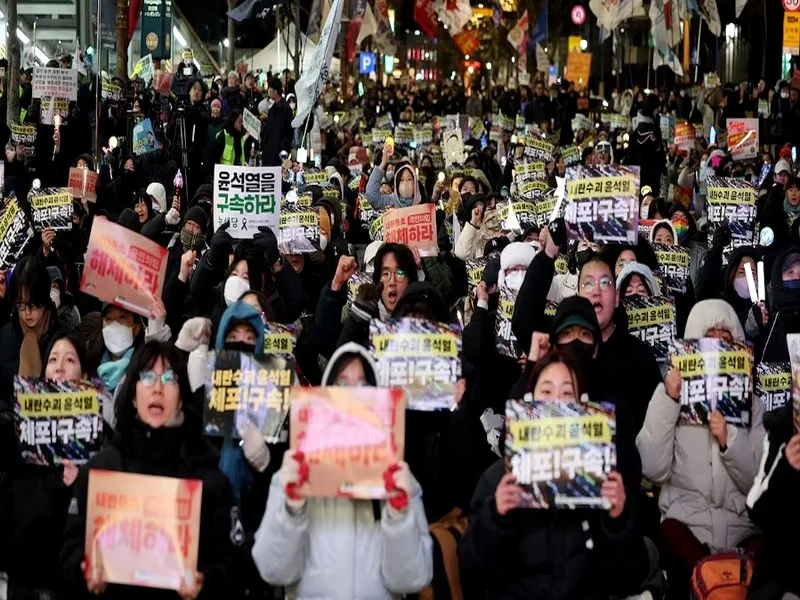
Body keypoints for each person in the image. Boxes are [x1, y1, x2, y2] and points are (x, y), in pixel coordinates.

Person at [459, 350, 650, 599]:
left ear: (581, 405)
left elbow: (632, 576)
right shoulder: (498, 480)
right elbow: (470, 573)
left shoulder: (601, 481)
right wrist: (495, 517)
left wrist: (617, 520)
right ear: (529, 401)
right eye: (546, 392)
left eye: (567, 393)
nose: (556, 404)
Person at [60, 341, 244, 598]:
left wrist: (205, 582)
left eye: (169, 378)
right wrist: (85, 570)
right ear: (133, 396)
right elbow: (69, 550)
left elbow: (232, 567)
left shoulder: (207, 478)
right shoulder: (102, 470)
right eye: (147, 377)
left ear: (181, 399)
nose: (157, 388)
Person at [251, 342, 433, 598]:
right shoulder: (294, 473)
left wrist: (398, 514)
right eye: (342, 384)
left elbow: (411, 580)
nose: (353, 395)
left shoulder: (399, 479)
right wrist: (292, 508)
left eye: (363, 385)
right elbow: (273, 571)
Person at [637, 299, 765, 600]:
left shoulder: (753, 405)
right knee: (668, 531)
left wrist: (729, 441)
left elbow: (759, 484)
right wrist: (667, 399)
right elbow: (651, 468)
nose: (718, 351)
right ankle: (714, 578)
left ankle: (722, 579)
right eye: (709, 341)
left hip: (740, 529)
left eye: (727, 341)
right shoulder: (670, 397)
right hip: (687, 529)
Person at [0, 331, 88, 598]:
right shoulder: (17, 438)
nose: (59, 366)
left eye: (69, 360)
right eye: (53, 359)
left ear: (84, 378)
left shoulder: (97, 445)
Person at [365, 143, 422, 209]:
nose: (405, 183)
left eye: (409, 179)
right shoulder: (390, 201)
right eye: (401, 180)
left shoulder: (421, 204)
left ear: (414, 183)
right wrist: (383, 162)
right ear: (397, 183)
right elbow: (371, 197)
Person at [261, 77, 293, 167]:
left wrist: (283, 149)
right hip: (268, 153)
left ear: (275, 91)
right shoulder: (271, 110)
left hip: (279, 153)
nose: (268, 90)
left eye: (270, 88)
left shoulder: (286, 109)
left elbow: (289, 132)